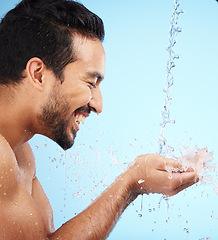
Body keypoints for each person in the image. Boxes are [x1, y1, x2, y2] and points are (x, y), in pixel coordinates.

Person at [0, 0, 199, 239]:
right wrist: (130, 183)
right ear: (38, 74)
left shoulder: (22, 156)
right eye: (90, 83)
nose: (98, 105)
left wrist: (135, 179)